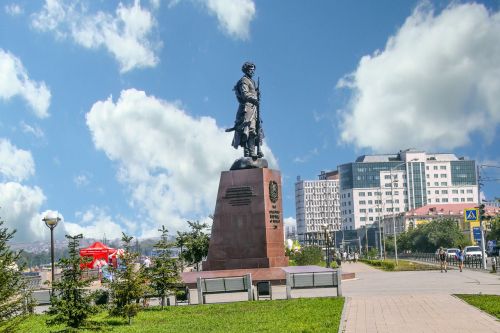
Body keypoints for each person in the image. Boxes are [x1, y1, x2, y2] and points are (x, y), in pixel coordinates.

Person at [227, 62, 264, 158]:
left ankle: (253, 152)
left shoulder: (253, 82)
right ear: (246, 69)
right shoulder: (244, 81)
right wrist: (254, 97)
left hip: (254, 108)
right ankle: (249, 153)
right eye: (251, 69)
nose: (252, 71)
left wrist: (257, 94)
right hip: (246, 108)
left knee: (256, 130)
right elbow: (245, 94)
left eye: (253, 69)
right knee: (248, 130)